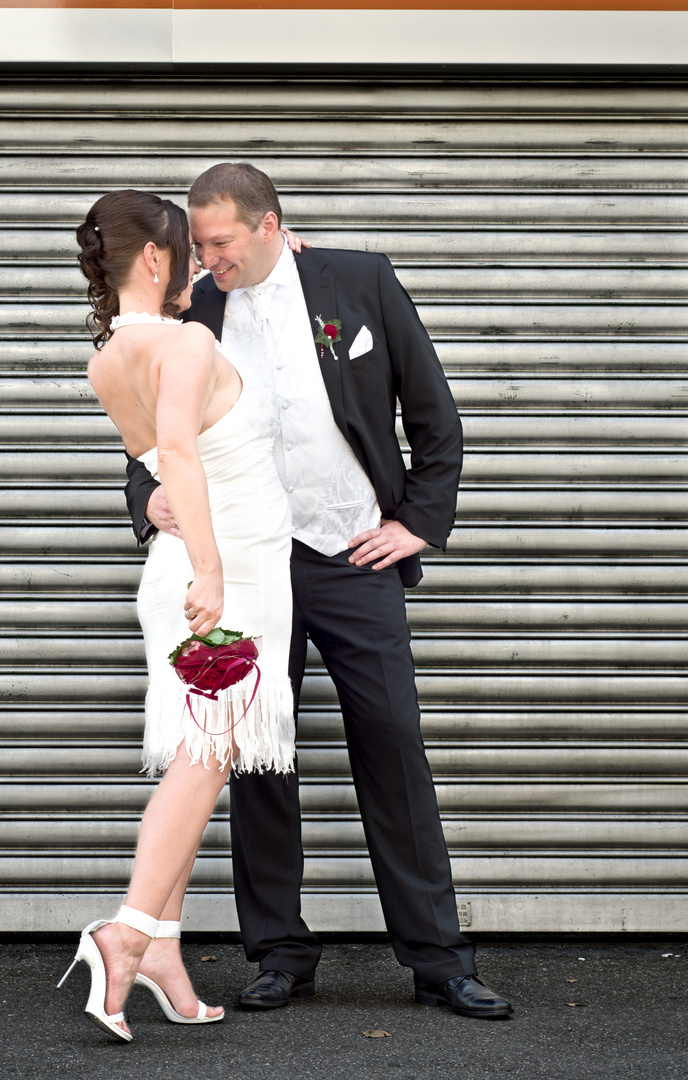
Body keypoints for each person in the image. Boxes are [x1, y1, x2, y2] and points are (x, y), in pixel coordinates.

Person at [126, 163, 513, 1020]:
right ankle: (278, 953)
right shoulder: (195, 308)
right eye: (198, 243)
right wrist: (145, 497)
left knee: (392, 741)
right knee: (259, 755)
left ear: (271, 227)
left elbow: (434, 411)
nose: (207, 256)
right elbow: (154, 433)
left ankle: (440, 958)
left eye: (221, 242)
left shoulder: (362, 279)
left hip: (351, 553)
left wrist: (419, 520)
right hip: (247, 556)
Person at [58, 188, 297, 1041]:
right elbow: (183, 457)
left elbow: (161, 464)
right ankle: (124, 931)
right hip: (218, 581)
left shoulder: (107, 360)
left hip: (206, 573)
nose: (199, 268)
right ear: (157, 260)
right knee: (203, 758)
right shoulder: (187, 342)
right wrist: (210, 573)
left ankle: (161, 943)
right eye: (189, 256)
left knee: (206, 763)